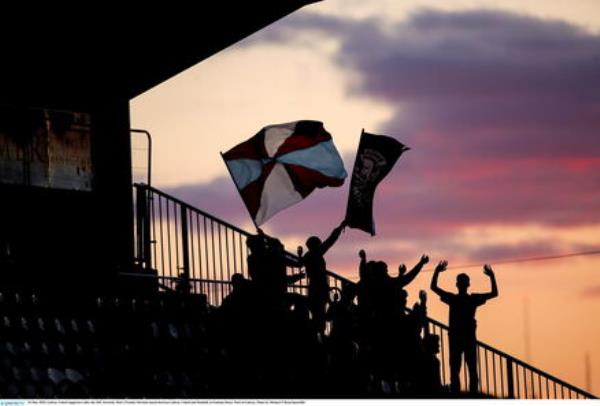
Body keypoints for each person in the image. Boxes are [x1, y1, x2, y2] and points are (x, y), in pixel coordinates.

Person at [430, 261, 498, 395]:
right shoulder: (469, 299)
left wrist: (437, 271)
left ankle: (459, 396)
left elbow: (433, 287)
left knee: (458, 371)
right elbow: (494, 293)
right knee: (469, 370)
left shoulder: (454, 299)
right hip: (466, 339)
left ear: (458, 285)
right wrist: (491, 277)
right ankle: (470, 397)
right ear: (468, 285)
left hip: (458, 338)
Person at [298, 220, 347, 334]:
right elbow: (331, 240)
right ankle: (320, 335)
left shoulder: (308, 255)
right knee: (320, 313)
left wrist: (300, 255)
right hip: (319, 287)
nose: (321, 244)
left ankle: (318, 333)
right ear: (316, 245)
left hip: (315, 287)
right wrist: (340, 227)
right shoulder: (316, 253)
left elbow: (300, 263)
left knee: (317, 312)